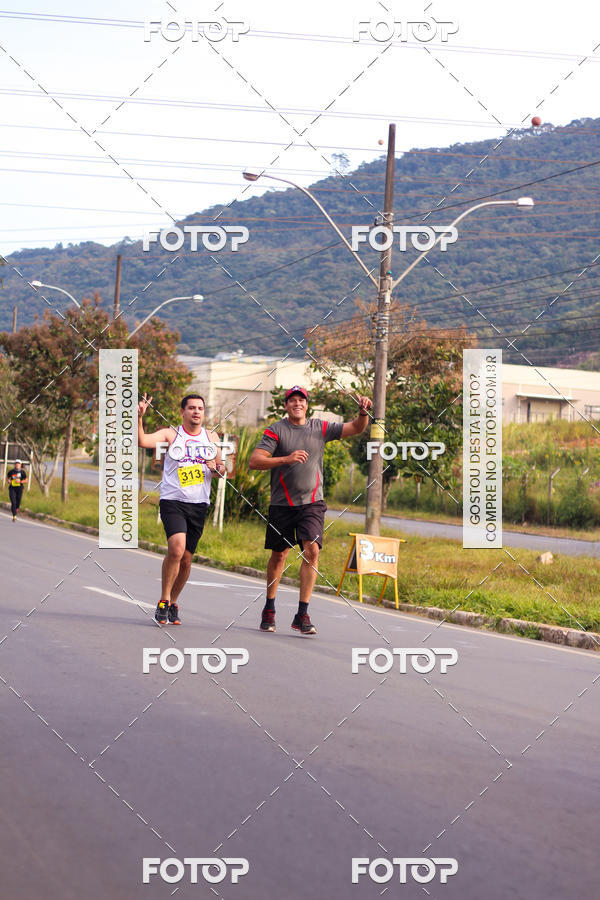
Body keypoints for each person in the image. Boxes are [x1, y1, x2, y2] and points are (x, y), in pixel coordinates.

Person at [249, 385, 372, 635]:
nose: (297, 404)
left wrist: (362, 413)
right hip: (282, 504)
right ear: (286, 405)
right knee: (279, 555)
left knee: (312, 551)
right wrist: (286, 459)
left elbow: (356, 428)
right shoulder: (276, 431)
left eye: (301, 400)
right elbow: (255, 461)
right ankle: (269, 608)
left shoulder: (320, 428)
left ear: (307, 405)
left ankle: (302, 613)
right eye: (292, 400)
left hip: (312, 503)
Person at [138, 393, 225, 626]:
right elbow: (143, 441)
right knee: (176, 550)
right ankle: (163, 600)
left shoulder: (212, 437)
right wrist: (139, 418)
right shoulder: (171, 434)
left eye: (200, 408)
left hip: (199, 504)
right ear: (182, 412)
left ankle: (174, 602)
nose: (196, 412)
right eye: (191, 408)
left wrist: (215, 467)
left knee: (186, 559)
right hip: (173, 501)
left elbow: (221, 470)